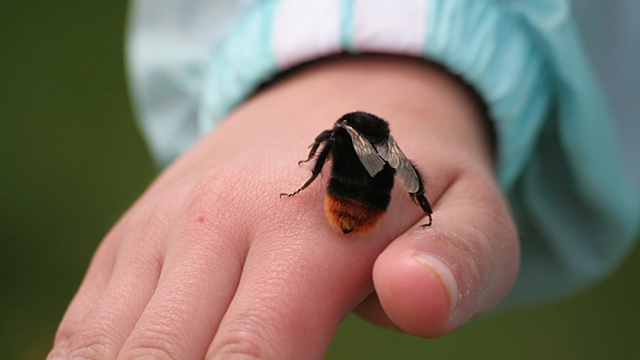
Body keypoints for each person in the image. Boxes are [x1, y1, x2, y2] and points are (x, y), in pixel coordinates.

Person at [47, 1, 640, 359]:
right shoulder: (383, 144)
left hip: (348, 207)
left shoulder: (341, 136)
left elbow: (331, 147)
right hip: (361, 211)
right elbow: (402, 169)